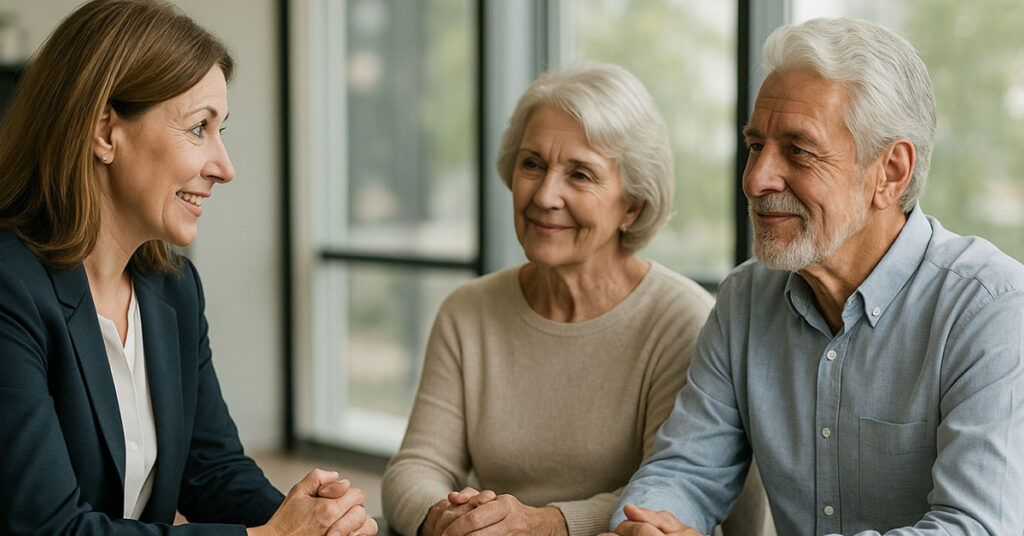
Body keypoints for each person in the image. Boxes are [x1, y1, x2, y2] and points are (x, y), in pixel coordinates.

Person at [605, 17, 1024, 536]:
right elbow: (684, 472)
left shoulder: (992, 308)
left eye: (799, 151)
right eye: (755, 146)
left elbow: (975, 528)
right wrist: (647, 523)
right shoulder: (745, 299)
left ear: (890, 172)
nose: (756, 180)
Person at [0, 1, 376, 535]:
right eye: (200, 128)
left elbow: (212, 470)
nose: (224, 167)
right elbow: (48, 528)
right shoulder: (10, 287)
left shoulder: (172, 288)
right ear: (106, 131)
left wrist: (319, 521)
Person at [380, 62, 770, 536]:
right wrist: (451, 520)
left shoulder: (681, 319)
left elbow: (680, 489)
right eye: (532, 164)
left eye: (580, 174)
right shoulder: (469, 311)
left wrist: (543, 524)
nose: (545, 195)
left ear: (633, 206)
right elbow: (415, 466)